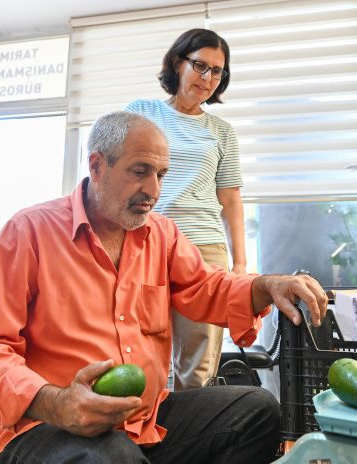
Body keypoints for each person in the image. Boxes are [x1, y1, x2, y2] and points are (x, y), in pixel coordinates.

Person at [0, 111, 327, 464]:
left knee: (257, 410)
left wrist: (267, 285)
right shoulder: (29, 231)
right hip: (45, 427)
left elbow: (207, 287)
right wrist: (55, 402)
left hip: (142, 424)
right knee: (112, 455)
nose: (153, 189)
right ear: (97, 166)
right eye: (140, 171)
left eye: (161, 174)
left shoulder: (162, 235)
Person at [126, 28, 245, 390]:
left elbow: (230, 200)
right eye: (200, 66)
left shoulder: (222, 132)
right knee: (138, 355)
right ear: (178, 63)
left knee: (197, 367)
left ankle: (193, 428)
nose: (207, 78)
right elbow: (120, 175)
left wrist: (240, 265)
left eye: (217, 71)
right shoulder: (142, 113)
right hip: (147, 245)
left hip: (204, 250)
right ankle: (145, 425)